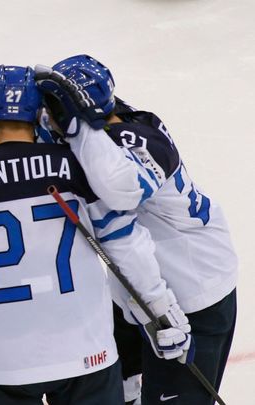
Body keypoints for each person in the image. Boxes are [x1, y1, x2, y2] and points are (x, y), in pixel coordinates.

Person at [0, 65, 193, 405]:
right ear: (40, 114)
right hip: (84, 349)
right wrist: (159, 308)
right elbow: (124, 242)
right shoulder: (74, 163)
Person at [38, 54, 238, 405]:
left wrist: (75, 125)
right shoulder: (113, 125)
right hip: (137, 289)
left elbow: (121, 189)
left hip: (192, 293)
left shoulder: (132, 143)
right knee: (116, 385)